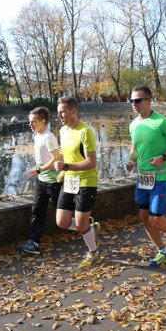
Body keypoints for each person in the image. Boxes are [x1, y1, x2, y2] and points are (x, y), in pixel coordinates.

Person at [125, 85, 166, 267]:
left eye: (137, 100)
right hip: (142, 177)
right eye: (131, 101)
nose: (134, 104)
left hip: (160, 177)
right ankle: (162, 251)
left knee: (156, 219)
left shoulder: (161, 122)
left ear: (148, 100)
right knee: (145, 217)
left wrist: (164, 157)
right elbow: (135, 148)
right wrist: (131, 160)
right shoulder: (133, 124)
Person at [53, 96, 101, 269]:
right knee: (62, 222)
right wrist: (64, 172)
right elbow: (68, 154)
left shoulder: (85, 131)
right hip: (70, 180)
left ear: (74, 111)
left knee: (81, 224)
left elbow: (92, 162)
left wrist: (66, 166)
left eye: (63, 112)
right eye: (58, 112)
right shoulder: (63, 131)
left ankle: (93, 252)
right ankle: (90, 229)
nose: (59, 115)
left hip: (86, 180)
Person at [18, 107, 62, 255]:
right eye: (29, 122)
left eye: (33, 122)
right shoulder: (38, 136)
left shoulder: (48, 137)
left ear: (43, 122)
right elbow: (43, 160)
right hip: (41, 181)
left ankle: (88, 227)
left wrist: (39, 170)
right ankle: (34, 243)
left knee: (64, 215)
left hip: (53, 182)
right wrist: (38, 168)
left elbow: (55, 159)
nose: (30, 125)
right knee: (37, 211)